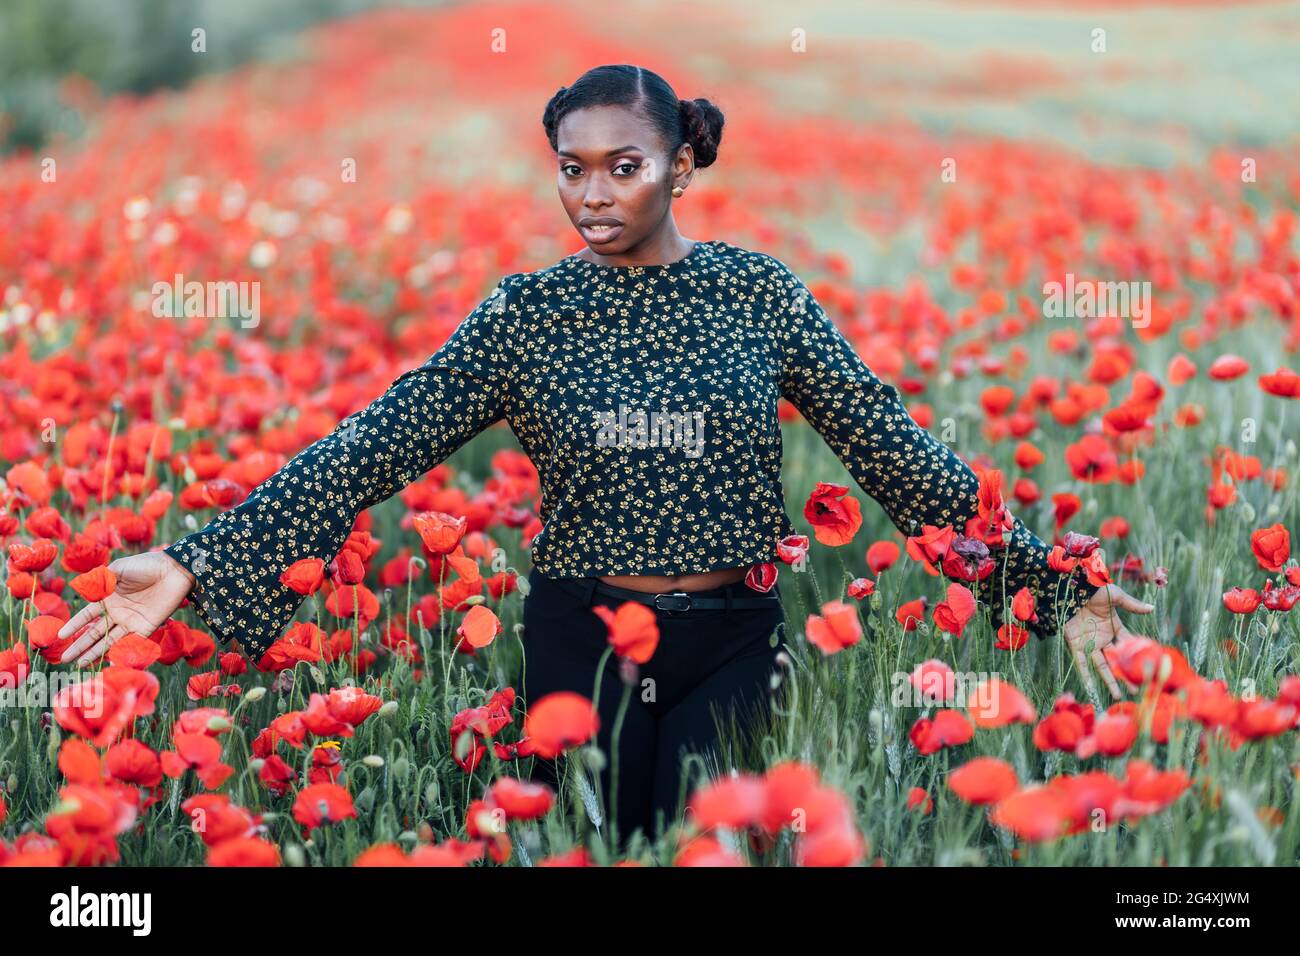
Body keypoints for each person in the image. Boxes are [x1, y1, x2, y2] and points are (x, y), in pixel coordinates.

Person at [55, 64, 1154, 849]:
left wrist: (1046, 585)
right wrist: (200, 556)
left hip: (732, 635)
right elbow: (369, 447)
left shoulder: (756, 292)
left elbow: (892, 449)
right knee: (591, 842)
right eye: (569, 168)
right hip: (578, 636)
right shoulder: (524, 315)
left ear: (679, 167)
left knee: (697, 840)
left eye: (621, 165)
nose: (590, 193)